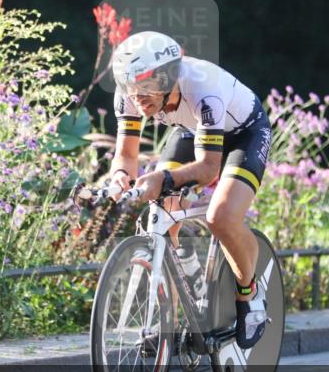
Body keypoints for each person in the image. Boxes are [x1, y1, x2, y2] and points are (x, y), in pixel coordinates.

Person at [105, 31, 273, 348]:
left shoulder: (202, 87)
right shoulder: (129, 92)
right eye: (130, 86)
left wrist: (160, 180)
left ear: (169, 76)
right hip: (193, 130)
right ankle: (184, 300)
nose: (137, 96)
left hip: (243, 134)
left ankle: (249, 296)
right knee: (159, 215)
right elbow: (126, 156)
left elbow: (208, 167)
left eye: (146, 86)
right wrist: (117, 180)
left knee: (221, 216)